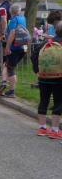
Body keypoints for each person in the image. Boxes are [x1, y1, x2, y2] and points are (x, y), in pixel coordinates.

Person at [32, 11, 62, 139]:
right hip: (59, 78)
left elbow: (34, 55)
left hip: (44, 77)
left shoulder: (46, 43)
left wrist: (37, 71)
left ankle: (42, 128)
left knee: (43, 100)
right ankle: (55, 130)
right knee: (58, 102)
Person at [0, 5, 30, 98]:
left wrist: (7, 47)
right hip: (23, 47)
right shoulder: (23, 19)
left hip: (14, 48)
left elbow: (12, 33)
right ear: (19, 11)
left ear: (11, 12)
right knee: (7, 65)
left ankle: (11, 91)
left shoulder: (14, 20)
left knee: (10, 68)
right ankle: (3, 82)